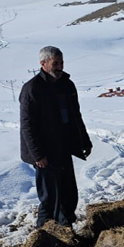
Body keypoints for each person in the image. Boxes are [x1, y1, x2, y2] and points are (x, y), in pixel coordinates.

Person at [19, 46, 92, 228]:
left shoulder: (66, 85)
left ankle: (66, 232)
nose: (60, 67)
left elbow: (76, 115)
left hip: (64, 148)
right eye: (55, 63)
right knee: (50, 198)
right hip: (45, 153)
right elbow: (27, 126)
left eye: (61, 62)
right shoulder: (32, 89)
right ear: (43, 64)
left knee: (68, 195)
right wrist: (38, 155)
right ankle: (45, 237)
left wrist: (84, 140)